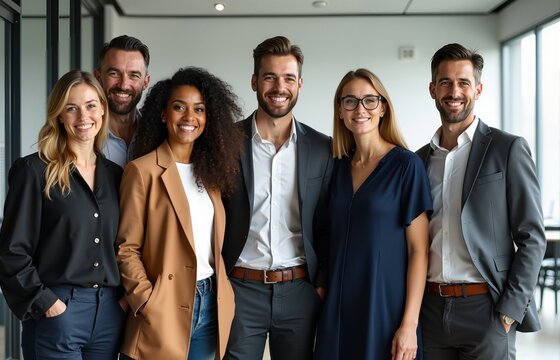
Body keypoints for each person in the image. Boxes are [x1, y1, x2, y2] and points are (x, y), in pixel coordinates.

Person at [416, 43, 546, 359]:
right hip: (430, 311)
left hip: (486, 310)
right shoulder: (419, 160)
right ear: (432, 89)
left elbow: (532, 237)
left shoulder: (507, 149)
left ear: (479, 89)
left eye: (463, 82)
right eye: (445, 82)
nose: (454, 91)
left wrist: (509, 312)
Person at [116, 67, 244, 360]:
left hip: (211, 303)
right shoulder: (142, 171)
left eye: (199, 109)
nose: (190, 117)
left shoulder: (211, 175)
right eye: (179, 107)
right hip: (163, 305)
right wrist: (146, 300)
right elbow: (126, 247)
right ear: (163, 114)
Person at [0, 70, 125, 359]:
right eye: (71, 107)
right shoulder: (34, 171)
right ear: (59, 115)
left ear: (103, 109)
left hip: (109, 313)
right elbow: (12, 252)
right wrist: (47, 303)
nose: (83, 116)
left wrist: (123, 301)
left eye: (91, 105)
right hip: (58, 311)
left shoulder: (116, 176)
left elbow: (123, 246)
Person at [222, 35, 333, 360]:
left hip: (299, 288)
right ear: (255, 81)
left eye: (287, 78)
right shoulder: (227, 142)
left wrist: (321, 282)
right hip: (240, 287)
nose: (278, 87)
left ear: (299, 83)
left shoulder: (321, 148)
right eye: (270, 77)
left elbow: (327, 220)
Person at [313, 69, 432, 360]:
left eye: (369, 100)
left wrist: (409, 324)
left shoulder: (407, 166)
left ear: (382, 107)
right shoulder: (335, 168)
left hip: (385, 308)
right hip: (338, 308)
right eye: (350, 101)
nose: (360, 109)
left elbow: (419, 251)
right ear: (340, 110)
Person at [94, 34, 151, 167]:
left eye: (134, 75)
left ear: (146, 82)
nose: (123, 85)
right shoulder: (83, 134)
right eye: (114, 73)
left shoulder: (159, 135)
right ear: (98, 77)